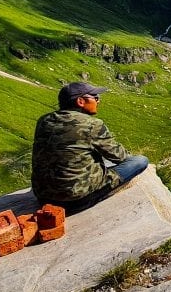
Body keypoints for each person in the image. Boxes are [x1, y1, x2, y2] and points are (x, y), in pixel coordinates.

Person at [31, 81, 149, 214]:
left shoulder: (44, 120)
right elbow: (120, 157)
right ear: (81, 101)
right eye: (95, 97)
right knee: (140, 161)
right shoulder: (92, 124)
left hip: (43, 197)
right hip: (76, 200)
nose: (98, 101)